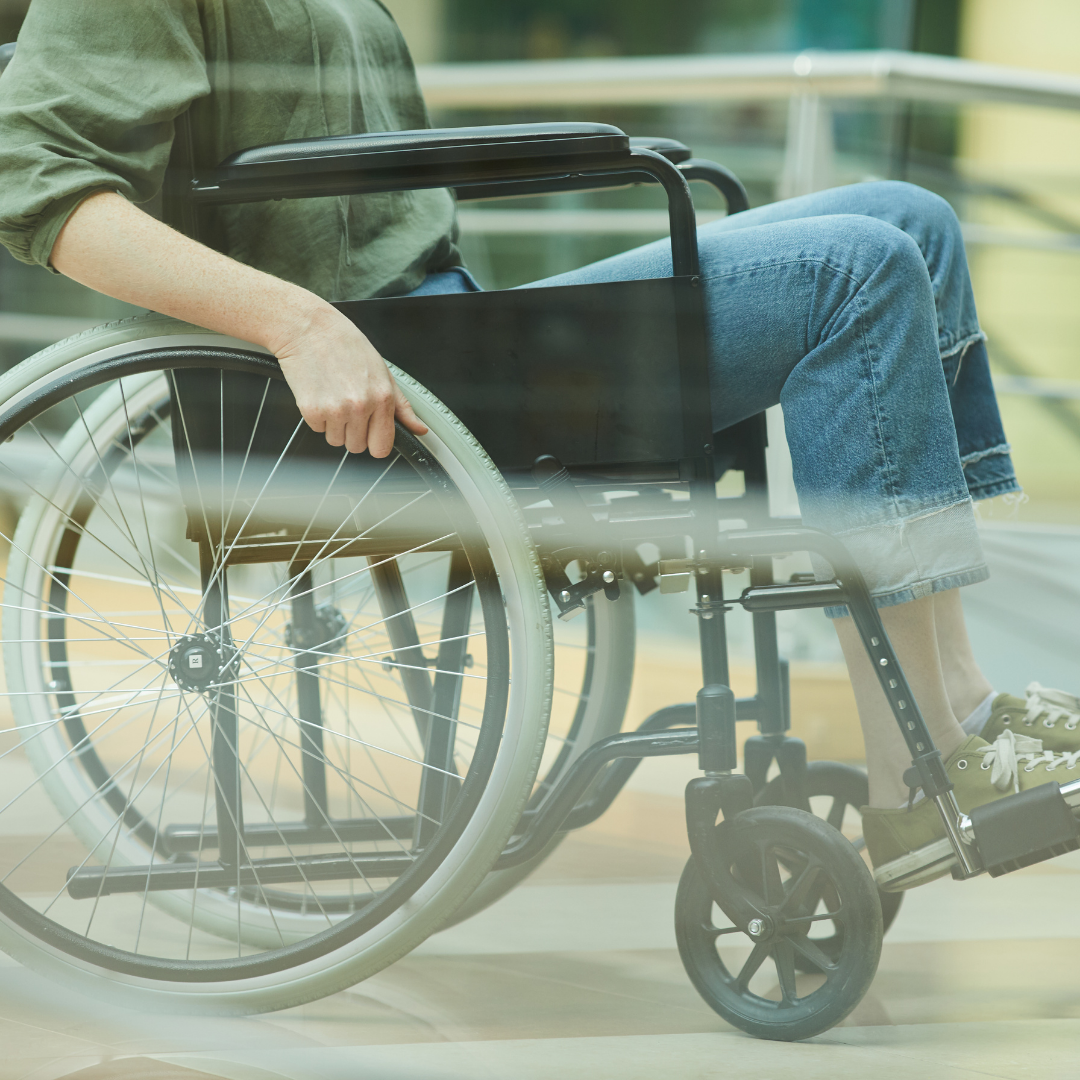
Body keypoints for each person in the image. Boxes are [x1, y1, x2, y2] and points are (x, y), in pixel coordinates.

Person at [0, 0, 1077, 890]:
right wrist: (296, 322)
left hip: (453, 335)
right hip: (388, 391)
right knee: (859, 268)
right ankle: (919, 757)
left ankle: (956, 705)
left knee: (911, 218)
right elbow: (33, 182)